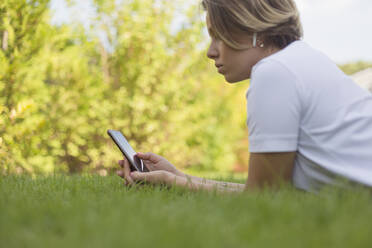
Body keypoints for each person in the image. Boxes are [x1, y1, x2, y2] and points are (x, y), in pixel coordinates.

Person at [117, 0, 372, 193]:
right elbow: (267, 191)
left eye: (219, 35)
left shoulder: (274, 73)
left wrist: (175, 183)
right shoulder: (301, 59)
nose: (210, 51)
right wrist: (179, 176)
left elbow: (264, 199)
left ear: (253, 29)